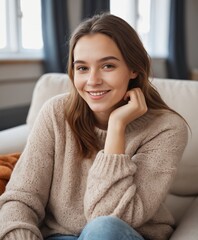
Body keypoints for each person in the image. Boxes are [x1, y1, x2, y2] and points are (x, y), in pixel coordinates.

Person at [0, 13, 188, 240]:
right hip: (62, 236)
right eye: (82, 68)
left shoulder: (167, 128)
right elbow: (21, 197)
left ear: (133, 69)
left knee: (103, 229)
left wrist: (117, 127)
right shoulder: (55, 113)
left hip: (123, 233)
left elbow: (108, 216)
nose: (93, 80)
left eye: (107, 66)